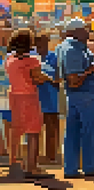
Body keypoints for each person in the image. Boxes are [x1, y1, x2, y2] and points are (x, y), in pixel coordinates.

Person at [60, 18, 94, 179]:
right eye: (84, 29)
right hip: (84, 95)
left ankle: (71, 168)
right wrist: (90, 71)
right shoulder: (73, 49)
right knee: (88, 132)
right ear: (75, 31)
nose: (87, 31)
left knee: (72, 133)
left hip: (74, 97)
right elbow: (73, 80)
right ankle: (89, 166)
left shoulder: (66, 47)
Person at [6, 29, 56, 177]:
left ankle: (14, 162)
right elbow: (38, 78)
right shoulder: (33, 60)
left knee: (16, 130)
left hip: (14, 96)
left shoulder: (10, 60)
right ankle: (31, 167)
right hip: (29, 97)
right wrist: (50, 78)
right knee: (33, 132)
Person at [34, 32, 60, 164]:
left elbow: (58, 79)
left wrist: (47, 79)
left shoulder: (53, 57)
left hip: (51, 99)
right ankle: (35, 158)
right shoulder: (32, 57)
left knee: (51, 129)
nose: (41, 48)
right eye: (38, 45)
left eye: (43, 45)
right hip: (35, 100)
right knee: (35, 131)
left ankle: (51, 157)